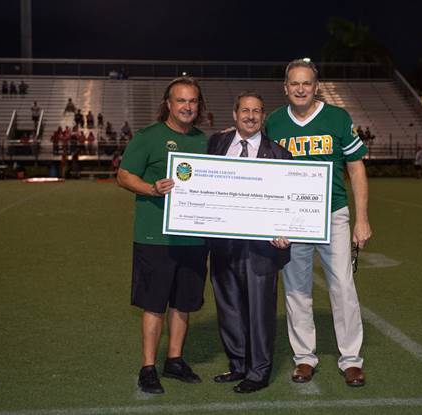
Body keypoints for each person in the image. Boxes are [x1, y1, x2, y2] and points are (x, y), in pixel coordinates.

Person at [263, 59, 372, 387]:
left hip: (332, 214)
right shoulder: (275, 122)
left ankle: (351, 359)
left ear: (316, 86)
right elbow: (265, 174)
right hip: (292, 218)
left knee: (343, 285)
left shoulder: (337, 118)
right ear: (285, 88)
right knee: (296, 288)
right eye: (294, 83)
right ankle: (304, 357)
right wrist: (273, 222)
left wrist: (362, 218)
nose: (300, 89)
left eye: (306, 83)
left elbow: (356, 168)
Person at [116, 77, 209, 395]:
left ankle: (175, 359)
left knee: (182, 303)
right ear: (168, 104)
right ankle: (148, 367)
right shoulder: (148, 137)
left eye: (193, 101)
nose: (187, 106)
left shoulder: (203, 140)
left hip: (194, 237)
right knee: (154, 303)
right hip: (155, 237)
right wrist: (151, 189)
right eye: (181, 101)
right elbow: (124, 175)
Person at [208, 91, 292, 394]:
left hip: (261, 247)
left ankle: (259, 371)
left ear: (263, 116)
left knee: (259, 310)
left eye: (257, 111)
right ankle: (239, 364)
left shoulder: (279, 153)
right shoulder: (216, 144)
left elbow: (289, 199)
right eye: (245, 110)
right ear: (234, 114)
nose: (251, 116)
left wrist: (286, 231)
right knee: (229, 306)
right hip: (223, 243)